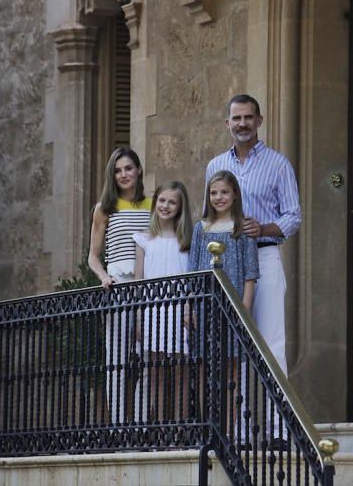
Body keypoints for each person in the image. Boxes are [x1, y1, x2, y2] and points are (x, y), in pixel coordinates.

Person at [206, 94, 301, 442]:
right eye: (236, 118)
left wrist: (264, 228)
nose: (242, 124)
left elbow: (293, 217)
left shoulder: (278, 164)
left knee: (273, 343)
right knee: (235, 347)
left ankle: (278, 431)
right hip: (228, 262)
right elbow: (209, 215)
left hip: (264, 255)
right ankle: (241, 431)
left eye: (248, 117)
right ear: (227, 123)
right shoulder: (215, 166)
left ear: (259, 121)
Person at [189, 170, 259, 428]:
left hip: (233, 306)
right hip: (205, 306)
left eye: (224, 192)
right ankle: (208, 426)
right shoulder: (201, 229)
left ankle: (229, 429)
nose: (218, 197)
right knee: (205, 368)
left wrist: (245, 311)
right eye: (214, 192)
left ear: (235, 195)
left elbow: (251, 274)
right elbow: (193, 271)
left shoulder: (243, 228)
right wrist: (189, 307)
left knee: (230, 371)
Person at [88, 146, 152, 424]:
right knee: (117, 360)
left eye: (128, 168)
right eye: (117, 170)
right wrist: (103, 277)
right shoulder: (104, 209)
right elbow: (92, 256)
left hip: (151, 288)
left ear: (138, 170)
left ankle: (138, 425)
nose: (123, 174)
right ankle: (117, 426)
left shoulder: (154, 204)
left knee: (151, 357)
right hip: (118, 287)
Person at [132, 181, 192, 421]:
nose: (166, 206)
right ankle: (158, 428)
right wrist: (138, 316)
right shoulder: (144, 240)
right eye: (162, 200)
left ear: (180, 207)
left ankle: (181, 427)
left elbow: (190, 279)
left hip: (179, 311)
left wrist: (189, 308)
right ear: (155, 202)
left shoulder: (186, 241)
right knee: (154, 372)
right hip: (152, 312)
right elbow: (138, 280)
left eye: (172, 202)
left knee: (181, 372)